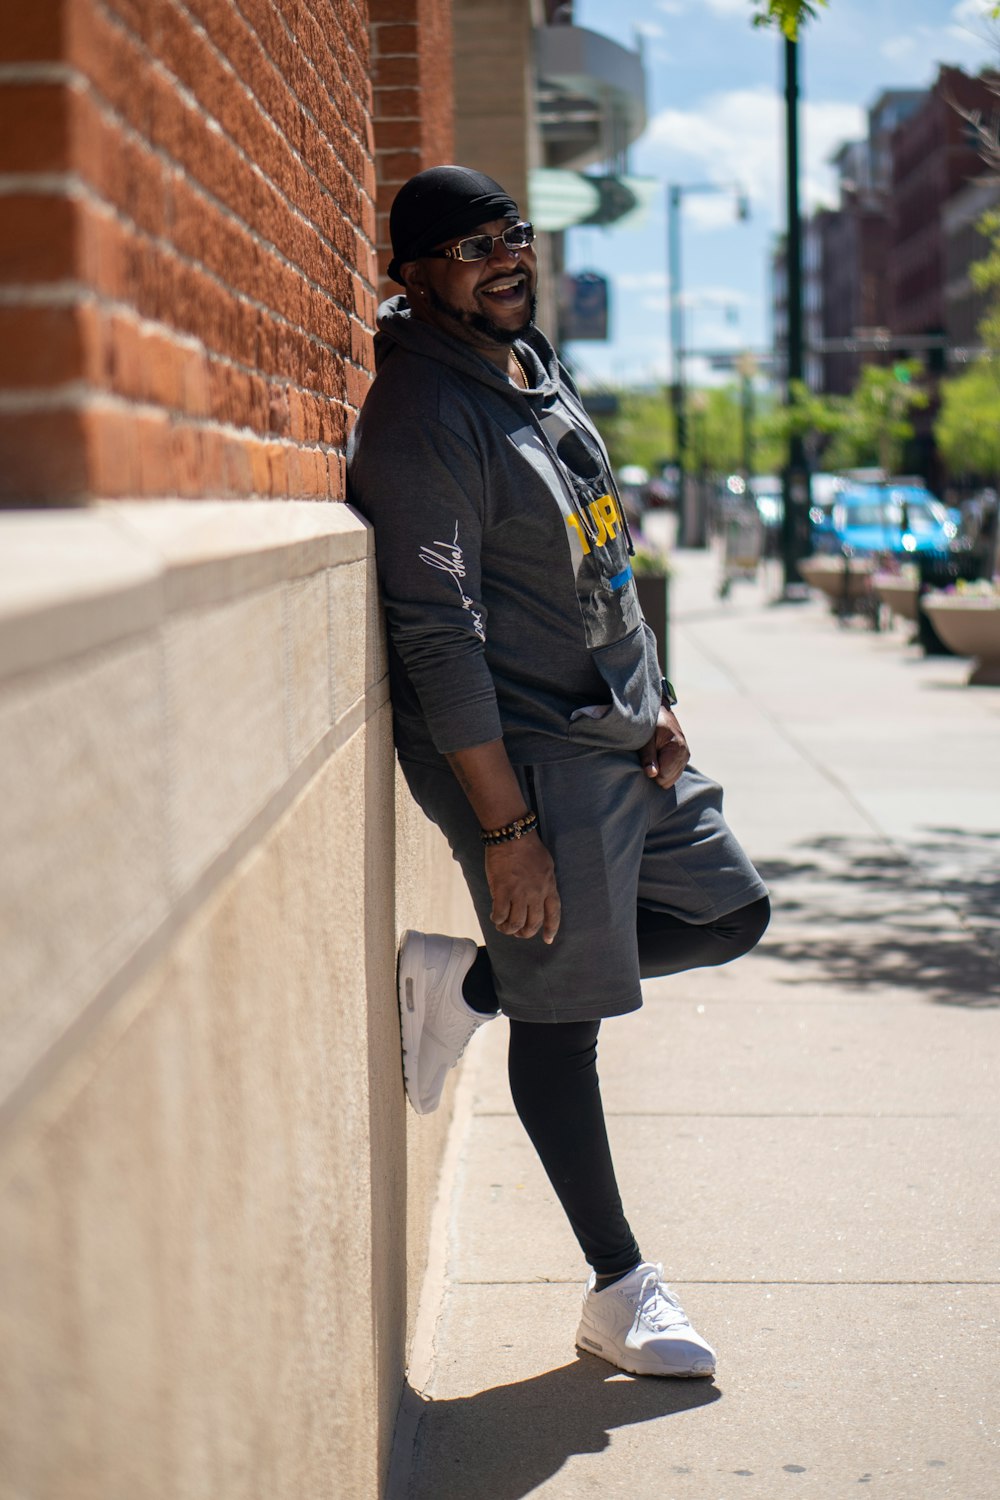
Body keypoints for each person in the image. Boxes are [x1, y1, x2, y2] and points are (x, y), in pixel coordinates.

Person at [348, 165, 770, 1380]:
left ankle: (474, 989)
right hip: (527, 752)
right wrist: (505, 830)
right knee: (568, 1011)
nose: (503, 257)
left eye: (512, 235)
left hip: (618, 727)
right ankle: (617, 1287)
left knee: (729, 911)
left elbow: (604, 549)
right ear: (414, 275)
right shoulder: (424, 413)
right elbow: (436, 632)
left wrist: (661, 693)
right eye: (471, 246)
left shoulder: (528, 368)